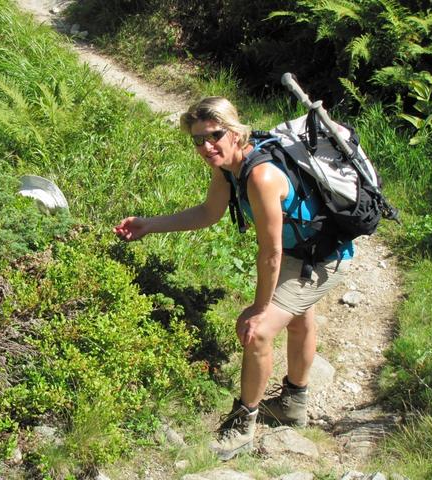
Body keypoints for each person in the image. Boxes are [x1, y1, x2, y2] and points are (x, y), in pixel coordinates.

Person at [113, 96, 353, 460]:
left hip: (322, 258)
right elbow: (210, 212)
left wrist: (259, 308)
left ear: (235, 131)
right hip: (301, 251)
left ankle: (243, 426)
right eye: (197, 139)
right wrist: (150, 225)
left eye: (214, 135)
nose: (206, 147)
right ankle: (294, 403)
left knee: (257, 331)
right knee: (298, 318)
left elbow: (270, 254)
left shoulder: (261, 176)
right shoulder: (228, 167)